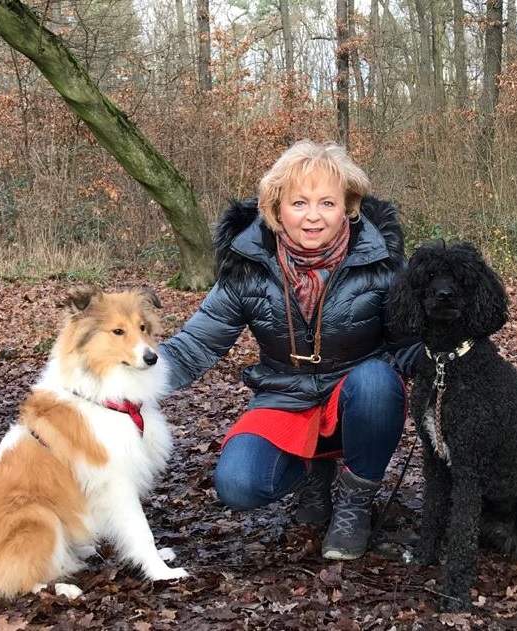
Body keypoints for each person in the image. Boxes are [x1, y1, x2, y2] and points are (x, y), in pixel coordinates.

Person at [160, 140, 418, 560]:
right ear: (275, 207)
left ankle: (354, 502)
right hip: (284, 396)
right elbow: (193, 345)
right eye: (299, 202)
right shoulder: (248, 262)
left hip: (355, 394)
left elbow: (413, 339)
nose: (313, 216)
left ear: (348, 206)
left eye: (327, 203)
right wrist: (122, 378)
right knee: (239, 485)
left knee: (376, 382)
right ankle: (314, 476)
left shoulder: (383, 261)